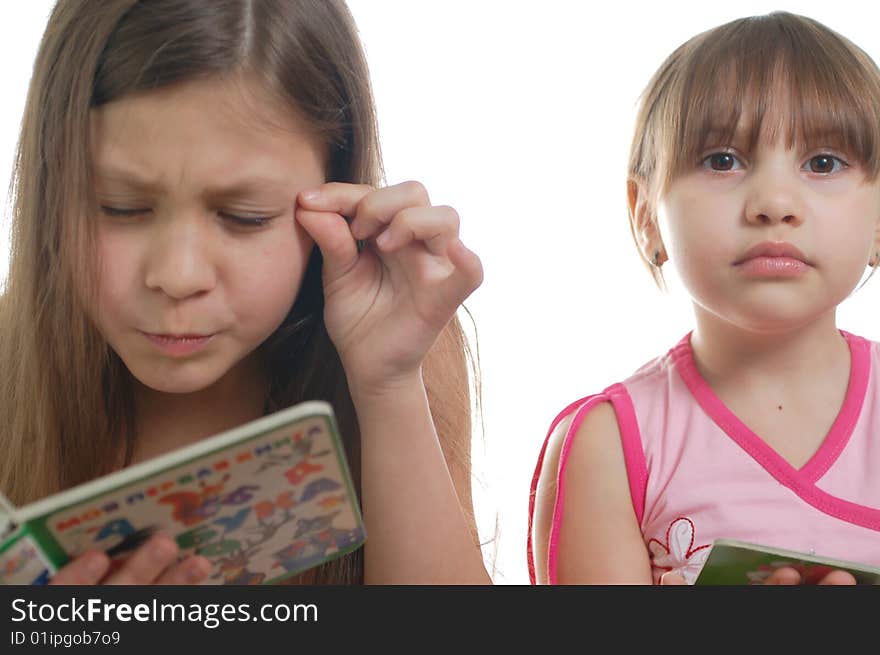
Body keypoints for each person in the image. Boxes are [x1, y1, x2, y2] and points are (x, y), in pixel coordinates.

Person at [0, 0, 489, 585]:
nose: (178, 277)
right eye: (120, 208)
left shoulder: (399, 345)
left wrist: (388, 384)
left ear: (337, 195)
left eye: (244, 216)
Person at [529, 11, 880, 585]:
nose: (774, 201)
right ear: (646, 215)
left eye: (823, 163)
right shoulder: (610, 446)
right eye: (723, 160)